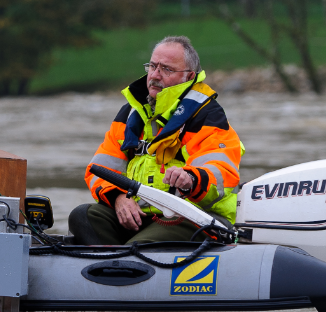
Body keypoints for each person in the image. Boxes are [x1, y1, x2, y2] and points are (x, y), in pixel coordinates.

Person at [69, 36, 242, 245]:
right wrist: (118, 198)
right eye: (152, 66)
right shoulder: (131, 114)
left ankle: (124, 264)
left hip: (193, 217)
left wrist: (192, 179)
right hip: (143, 216)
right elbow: (99, 168)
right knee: (83, 216)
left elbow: (221, 172)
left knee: (139, 247)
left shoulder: (207, 115)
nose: (155, 75)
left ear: (188, 76)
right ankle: (113, 267)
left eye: (166, 69)